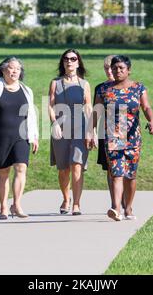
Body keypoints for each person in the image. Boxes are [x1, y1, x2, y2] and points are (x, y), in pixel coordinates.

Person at [95, 55, 153, 221]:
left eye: (121, 68)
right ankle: (116, 208)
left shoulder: (138, 88)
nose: (118, 71)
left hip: (133, 136)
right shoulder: (104, 89)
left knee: (131, 175)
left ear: (128, 70)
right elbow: (97, 112)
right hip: (113, 135)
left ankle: (128, 208)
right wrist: (89, 132)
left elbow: (146, 106)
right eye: (115, 68)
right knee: (116, 172)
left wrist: (151, 121)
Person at [0, 56, 39, 220]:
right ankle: (4, 207)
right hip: (1, 135)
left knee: (21, 168)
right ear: (3, 70)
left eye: (18, 69)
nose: (14, 71)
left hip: (21, 135)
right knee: (3, 172)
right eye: (11, 68)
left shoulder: (27, 90)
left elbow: (31, 115)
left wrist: (34, 137)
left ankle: (16, 204)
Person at [48, 49, 92, 216]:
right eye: (66, 59)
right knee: (63, 168)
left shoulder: (84, 84)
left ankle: (77, 204)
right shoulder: (55, 83)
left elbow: (88, 107)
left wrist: (91, 130)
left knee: (77, 166)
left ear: (78, 62)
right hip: (61, 129)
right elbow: (51, 105)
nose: (69, 61)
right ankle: (66, 199)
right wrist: (54, 123)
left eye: (73, 59)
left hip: (80, 128)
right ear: (63, 62)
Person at [92, 55, 125, 210]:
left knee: (122, 168)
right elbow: (96, 112)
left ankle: (126, 202)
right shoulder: (100, 88)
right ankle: (115, 204)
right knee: (111, 169)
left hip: (123, 132)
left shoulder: (128, 87)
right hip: (104, 133)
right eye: (107, 68)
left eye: (112, 68)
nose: (110, 71)